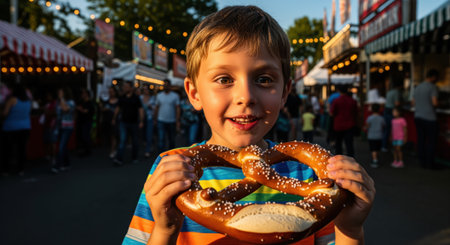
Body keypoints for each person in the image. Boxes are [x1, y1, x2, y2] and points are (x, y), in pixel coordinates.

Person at [122, 6, 375, 245]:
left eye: (264, 79)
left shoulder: (312, 176)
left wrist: (349, 229)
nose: (246, 96)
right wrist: (165, 229)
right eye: (224, 79)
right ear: (194, 93)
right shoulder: (172, 171)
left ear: (285, 92)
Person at [0, 84, 31, 176]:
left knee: (7, 149)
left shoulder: (12, 100)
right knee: (21, 149)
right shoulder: (28, 101)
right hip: (25, 127)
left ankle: (6, 169)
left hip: (11, 128)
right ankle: (21, 169)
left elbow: (4, 113)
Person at [412, 69, 439, 169]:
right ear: (433, 77)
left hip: (418, 116)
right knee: (431, 141)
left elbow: (413, 102)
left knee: (421, 140)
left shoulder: (418, 86)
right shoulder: (432, 87)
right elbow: (435, 103)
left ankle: (422, 161)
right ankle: (430, 163)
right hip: (429, 117)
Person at [112, 81, 144, 165]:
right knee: (122, 140)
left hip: (134, 123)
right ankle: (119, 159)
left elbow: (140, 110)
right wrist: (114, 118)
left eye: (126, 86)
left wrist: (141, 121)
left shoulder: (136, 98)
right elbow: (118, 108)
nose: (124, 88)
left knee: (135, 141)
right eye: (124, 86)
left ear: (131, 88)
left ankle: (134, 157)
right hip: (124, 122)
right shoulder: (122, 97)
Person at [331, 85, 358, 157]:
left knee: (338, 144)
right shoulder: (352, 101)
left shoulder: (336, 101)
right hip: (350, 125)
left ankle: (338, 160)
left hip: (338, 125)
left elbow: (332, 113)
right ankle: (351, 160)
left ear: (339, 91)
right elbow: (356, 112)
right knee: (349, 144)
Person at [154, 79, 180, 152]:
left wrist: (177, 120)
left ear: (169, 86)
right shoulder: (159, 95)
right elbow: (156, 107)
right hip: (161, 120)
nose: (165, 86)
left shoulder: (175, 96)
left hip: (171, 121)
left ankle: (171, 154)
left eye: (166, 85)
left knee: (171, 139)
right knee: (161, 139)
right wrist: (155, 119)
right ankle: (161, 156)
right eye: (164, 85)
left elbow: (178, 108)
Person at [54, 88, 76, 173]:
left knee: (61, 146)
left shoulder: (71, 102)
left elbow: (65, 109)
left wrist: (62, 99)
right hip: (60, 126)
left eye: (61, 93)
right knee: (63, 145)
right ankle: (66, 163)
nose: (59, 94)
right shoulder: (58, 102)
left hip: (67, 127)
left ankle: (57, 165)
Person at [382, 80, 402, 152]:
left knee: (387, 129)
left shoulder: (389, 91)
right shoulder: (396, 92)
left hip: (386, 110)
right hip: (392, 111)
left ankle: (384, 146)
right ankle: (394, 146)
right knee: (394, 129)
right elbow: (397, 103)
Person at [100, 87, 119, 158]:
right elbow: (102, 109)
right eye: (109, 92)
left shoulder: (118, 101)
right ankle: (111, 149)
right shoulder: (106, 101)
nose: (110, 93)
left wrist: (114, 118)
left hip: (114, 121)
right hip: (106, 121)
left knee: (113, 136)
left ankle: (113, 150)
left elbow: (118, 110)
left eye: (112, 91)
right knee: (108, 136)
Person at [364, 104, 385, 168]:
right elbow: (383, 126)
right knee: (377, 148)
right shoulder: (381, 118)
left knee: (373, 149)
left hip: (371, 136)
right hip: (379, 135)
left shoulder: (369, 118)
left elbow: (367, 126)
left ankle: (375, 160)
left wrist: (365, 128)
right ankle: (376, 158)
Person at [76, 88, 94, 156]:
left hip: (87, 122)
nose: (82, 95)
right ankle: (84, 149)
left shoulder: (89, 103)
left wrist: (79, 108)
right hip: (81, 121)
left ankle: (87, 150)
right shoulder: (81, 102)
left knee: (85, 135)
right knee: (82, 135)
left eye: (83, 93)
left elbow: (86, 111)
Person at [41, 91, 58, 166]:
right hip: (47, 125)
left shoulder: (55, 104)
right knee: (47, 141)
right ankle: (48, 156)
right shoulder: (48, 104)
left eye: (49, 96)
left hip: (53, 125)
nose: (47, 97)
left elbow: (54, 113)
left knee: (52, 142)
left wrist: (46, 111)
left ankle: (53, 157)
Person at [140, 87, 156, 157]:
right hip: (141, 118)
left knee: (149, 134)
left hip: (150, 118)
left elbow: (156, 108)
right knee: (142, 134)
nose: (145, 91)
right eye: (144, 89)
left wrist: (151, 107)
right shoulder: (140, 97)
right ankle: (150, 143)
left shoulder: (153, 98)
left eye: (146, 89)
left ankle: (147, 150)